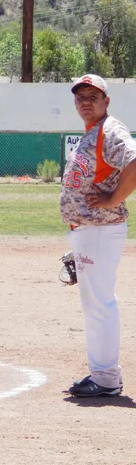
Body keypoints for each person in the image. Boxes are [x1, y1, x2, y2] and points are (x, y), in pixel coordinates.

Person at [62, 74, 136, 398]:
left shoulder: (110, 129)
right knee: (95, 302)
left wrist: (113, 200)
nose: (86, 101)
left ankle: (106, 378)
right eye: (81, 96)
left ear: (107, 101)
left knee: (99, 303)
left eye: (93, 95)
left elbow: (134, 161)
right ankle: (101, 373)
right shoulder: (93, 133)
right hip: (91, 231)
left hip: (101, 229)